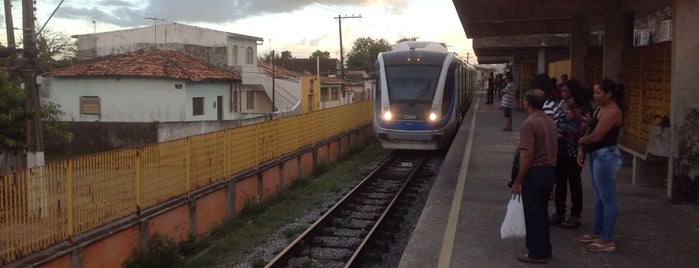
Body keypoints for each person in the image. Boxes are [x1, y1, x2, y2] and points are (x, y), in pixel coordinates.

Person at [575, 78, 624, 252]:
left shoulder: (612, 112)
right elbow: (590, 129)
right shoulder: (600, 109)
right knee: (599, 197)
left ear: (609, 94)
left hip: (606, 156)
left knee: (608, 198)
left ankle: (607, 238)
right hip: (596, 155)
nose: (595, 96)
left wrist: (580, 140)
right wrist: (582, 148)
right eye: (595, 92)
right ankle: (597, 231)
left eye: (598, 93)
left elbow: (596, 136)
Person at [510, 88, 558, 264]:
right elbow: (553, 150)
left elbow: (527, 155)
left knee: (533, 215)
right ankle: (545, 249)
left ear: (527, 103)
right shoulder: (549, 122)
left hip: (535, 173)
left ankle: (536, 253)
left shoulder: (529, 124)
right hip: (548, 171)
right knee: (542, 213)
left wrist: (518, 181)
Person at [549, 79, 592, 228]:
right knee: (560, 182)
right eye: (563, 91)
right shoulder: (561, 104)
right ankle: (559, 212)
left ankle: (575, 215)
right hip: (560, 149)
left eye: (568, 92)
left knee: (574, 182)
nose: (564, 94)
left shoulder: (583, 107)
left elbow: (585, 126)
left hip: (574, 150)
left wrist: (574, 109)